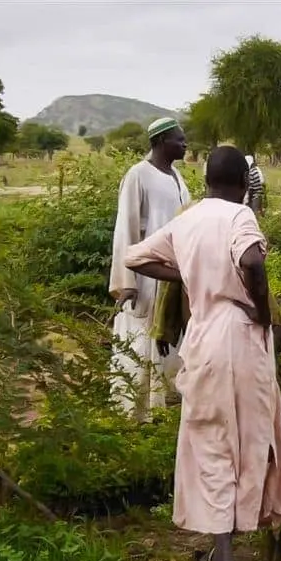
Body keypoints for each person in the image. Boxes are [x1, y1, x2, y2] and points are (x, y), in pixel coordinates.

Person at [124, 145, 281, 561]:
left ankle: (222, 550)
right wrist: (259, 310)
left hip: (201, 335)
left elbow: (134, 257)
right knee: (249, 435)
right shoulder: (240, 216)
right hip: (238, 333)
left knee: (212, 437)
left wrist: (187, 272)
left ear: (206, 181)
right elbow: (252, 261)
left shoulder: (189, 219)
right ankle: (231, 557)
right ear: (241, 183)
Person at [152, 255, 281, 467]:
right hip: (214, 339)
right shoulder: (188, 244)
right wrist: (163, 330)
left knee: (275, 394)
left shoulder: (234, 239)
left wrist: (273, 323)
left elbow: (257, 277)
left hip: (247, 333)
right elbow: (170, 279)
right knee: (227, 401)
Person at [108, 117, 192, 422]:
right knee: (142, 339)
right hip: (145, 276)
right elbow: (125, 229)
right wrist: (125, 281)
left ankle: (165, 402)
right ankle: (135, 410)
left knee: (169, 338)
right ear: (159, 142)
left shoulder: (177, 177)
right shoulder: (138, 176)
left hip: (172, 273)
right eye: (179, 140)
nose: (185, 145)